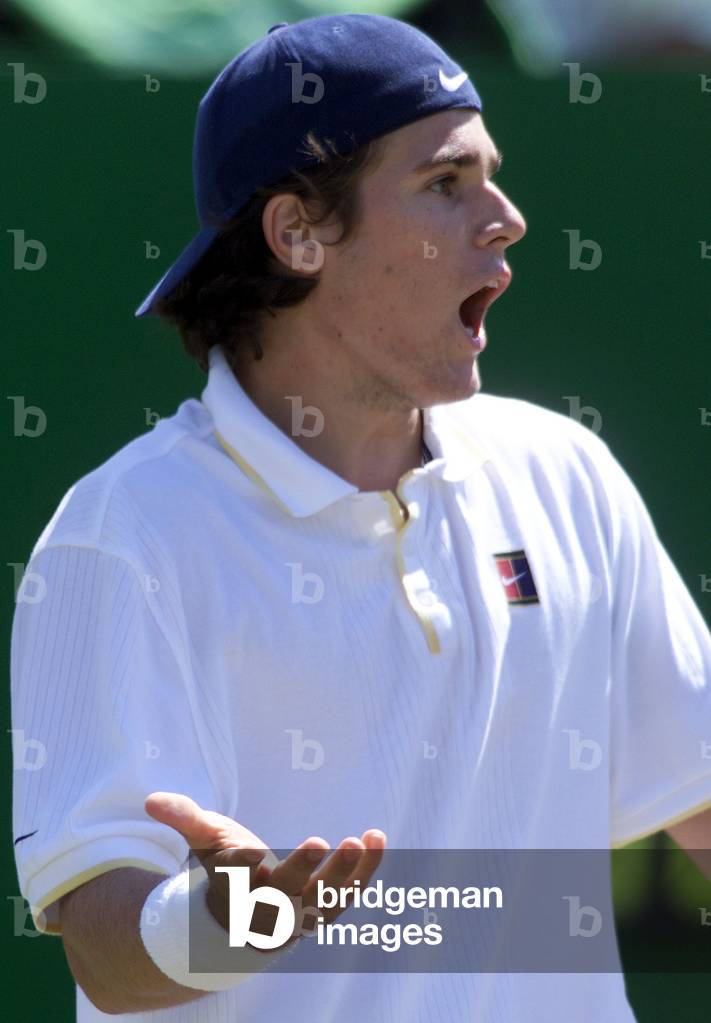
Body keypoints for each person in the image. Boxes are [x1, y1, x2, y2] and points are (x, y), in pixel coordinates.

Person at [10, 13, 711, 1022]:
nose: (506, 219)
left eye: (491, 176)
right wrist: (225, 922)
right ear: (298, 233)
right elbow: (105, 951)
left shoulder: (566, 473)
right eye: (445, 183)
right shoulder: (122, 537)